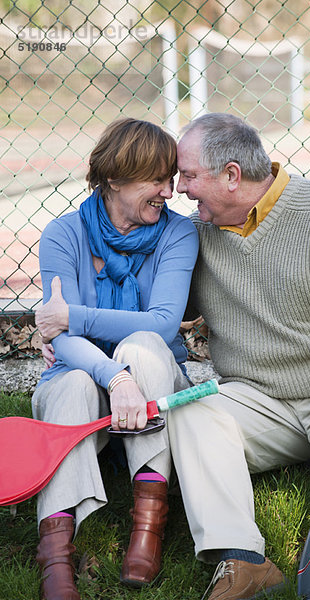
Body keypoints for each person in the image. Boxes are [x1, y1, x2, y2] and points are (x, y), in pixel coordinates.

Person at [167, 112, 310, 600]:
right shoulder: (195, 234)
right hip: (259, 399)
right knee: (192, 411)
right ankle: (245, 562)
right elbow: (163, 306)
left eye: (188, 176)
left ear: (231, 175)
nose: (179, 189)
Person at [33, 117, 198, 600]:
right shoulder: (63, 235)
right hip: (90, 376)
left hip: (156, 379)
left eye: (172, 179)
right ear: (112, 179)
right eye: (156, 180)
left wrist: (74, 316)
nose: (168, 192)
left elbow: (163, 323)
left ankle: (148, 525)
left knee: (144, 346)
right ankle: (55, 555)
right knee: (71, 383)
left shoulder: (178, 235)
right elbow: (59, 341)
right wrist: (114, 377)